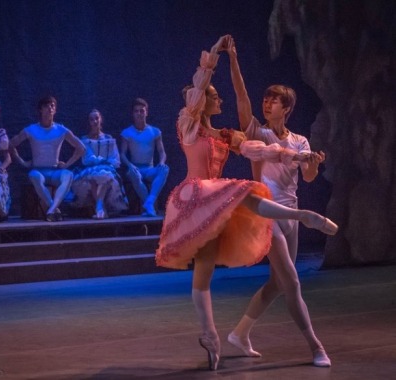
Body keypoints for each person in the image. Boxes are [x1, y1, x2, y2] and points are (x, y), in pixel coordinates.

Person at [155, 35, 338, 371]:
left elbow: (260, 151)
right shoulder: (189, 124)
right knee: (246, 194)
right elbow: (200, 97)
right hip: (198, 199)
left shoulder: (228, 135)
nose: (217, 98)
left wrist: (295, 156)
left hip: (220, 204)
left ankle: (224, 336)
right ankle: (222, 336)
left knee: (252, 278)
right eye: (214, 95)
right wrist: (214, 57)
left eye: (273, 100)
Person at [226, 36, 332, 367]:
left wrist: (312, 163)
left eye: (274, 101)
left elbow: (310, 176)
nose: (267, 103)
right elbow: (241, 97)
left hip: (291, 214)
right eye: (266, 99)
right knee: (292, 280)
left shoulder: (299, 140)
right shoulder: (259, 134)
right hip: (266, 213)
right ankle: (316, 347)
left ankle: (240, 333)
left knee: (276, 282)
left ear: (286, 108)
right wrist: (233, 58)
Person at [9, 96, 85, 222]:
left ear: (55, 110)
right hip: (39, 171)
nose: (50, 108)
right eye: (46, 106)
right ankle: (54, 209)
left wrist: (66, 165)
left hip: (54, 171)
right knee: (34, 176)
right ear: (40, 110)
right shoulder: (31, 129)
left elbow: (81, 148)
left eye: (52, 106)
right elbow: (11, 144)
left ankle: (51, 209)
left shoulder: (61, 129)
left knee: (68, 175)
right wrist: (22, 161)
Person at [70, 109, 128, 219]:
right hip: (90, 170)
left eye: (97, 118)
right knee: (93, 177)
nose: (95, 121)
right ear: (89, 122)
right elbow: (87, 158)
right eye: (92, 119)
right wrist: (100, 161)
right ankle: (100, 208)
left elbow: (115, 158)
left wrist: (105, 163)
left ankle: (99, 207)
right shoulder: (85, 140)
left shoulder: (108, 139)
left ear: (101, 119)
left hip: (107, 170)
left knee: (105, 175)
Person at [120, 98, 169, 216]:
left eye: (142, 111)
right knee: (133, 173)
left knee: (165, 169)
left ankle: (149, 202)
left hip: (149, 168)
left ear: (146, 112)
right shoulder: (127, 132)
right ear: (133, 114)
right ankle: (149, 206)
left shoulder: (155, 131)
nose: (139, 114)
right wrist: (130, 165)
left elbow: (162, 152)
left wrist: (161, 162)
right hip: (135, 168)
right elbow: (122, 154)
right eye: (136, 111)